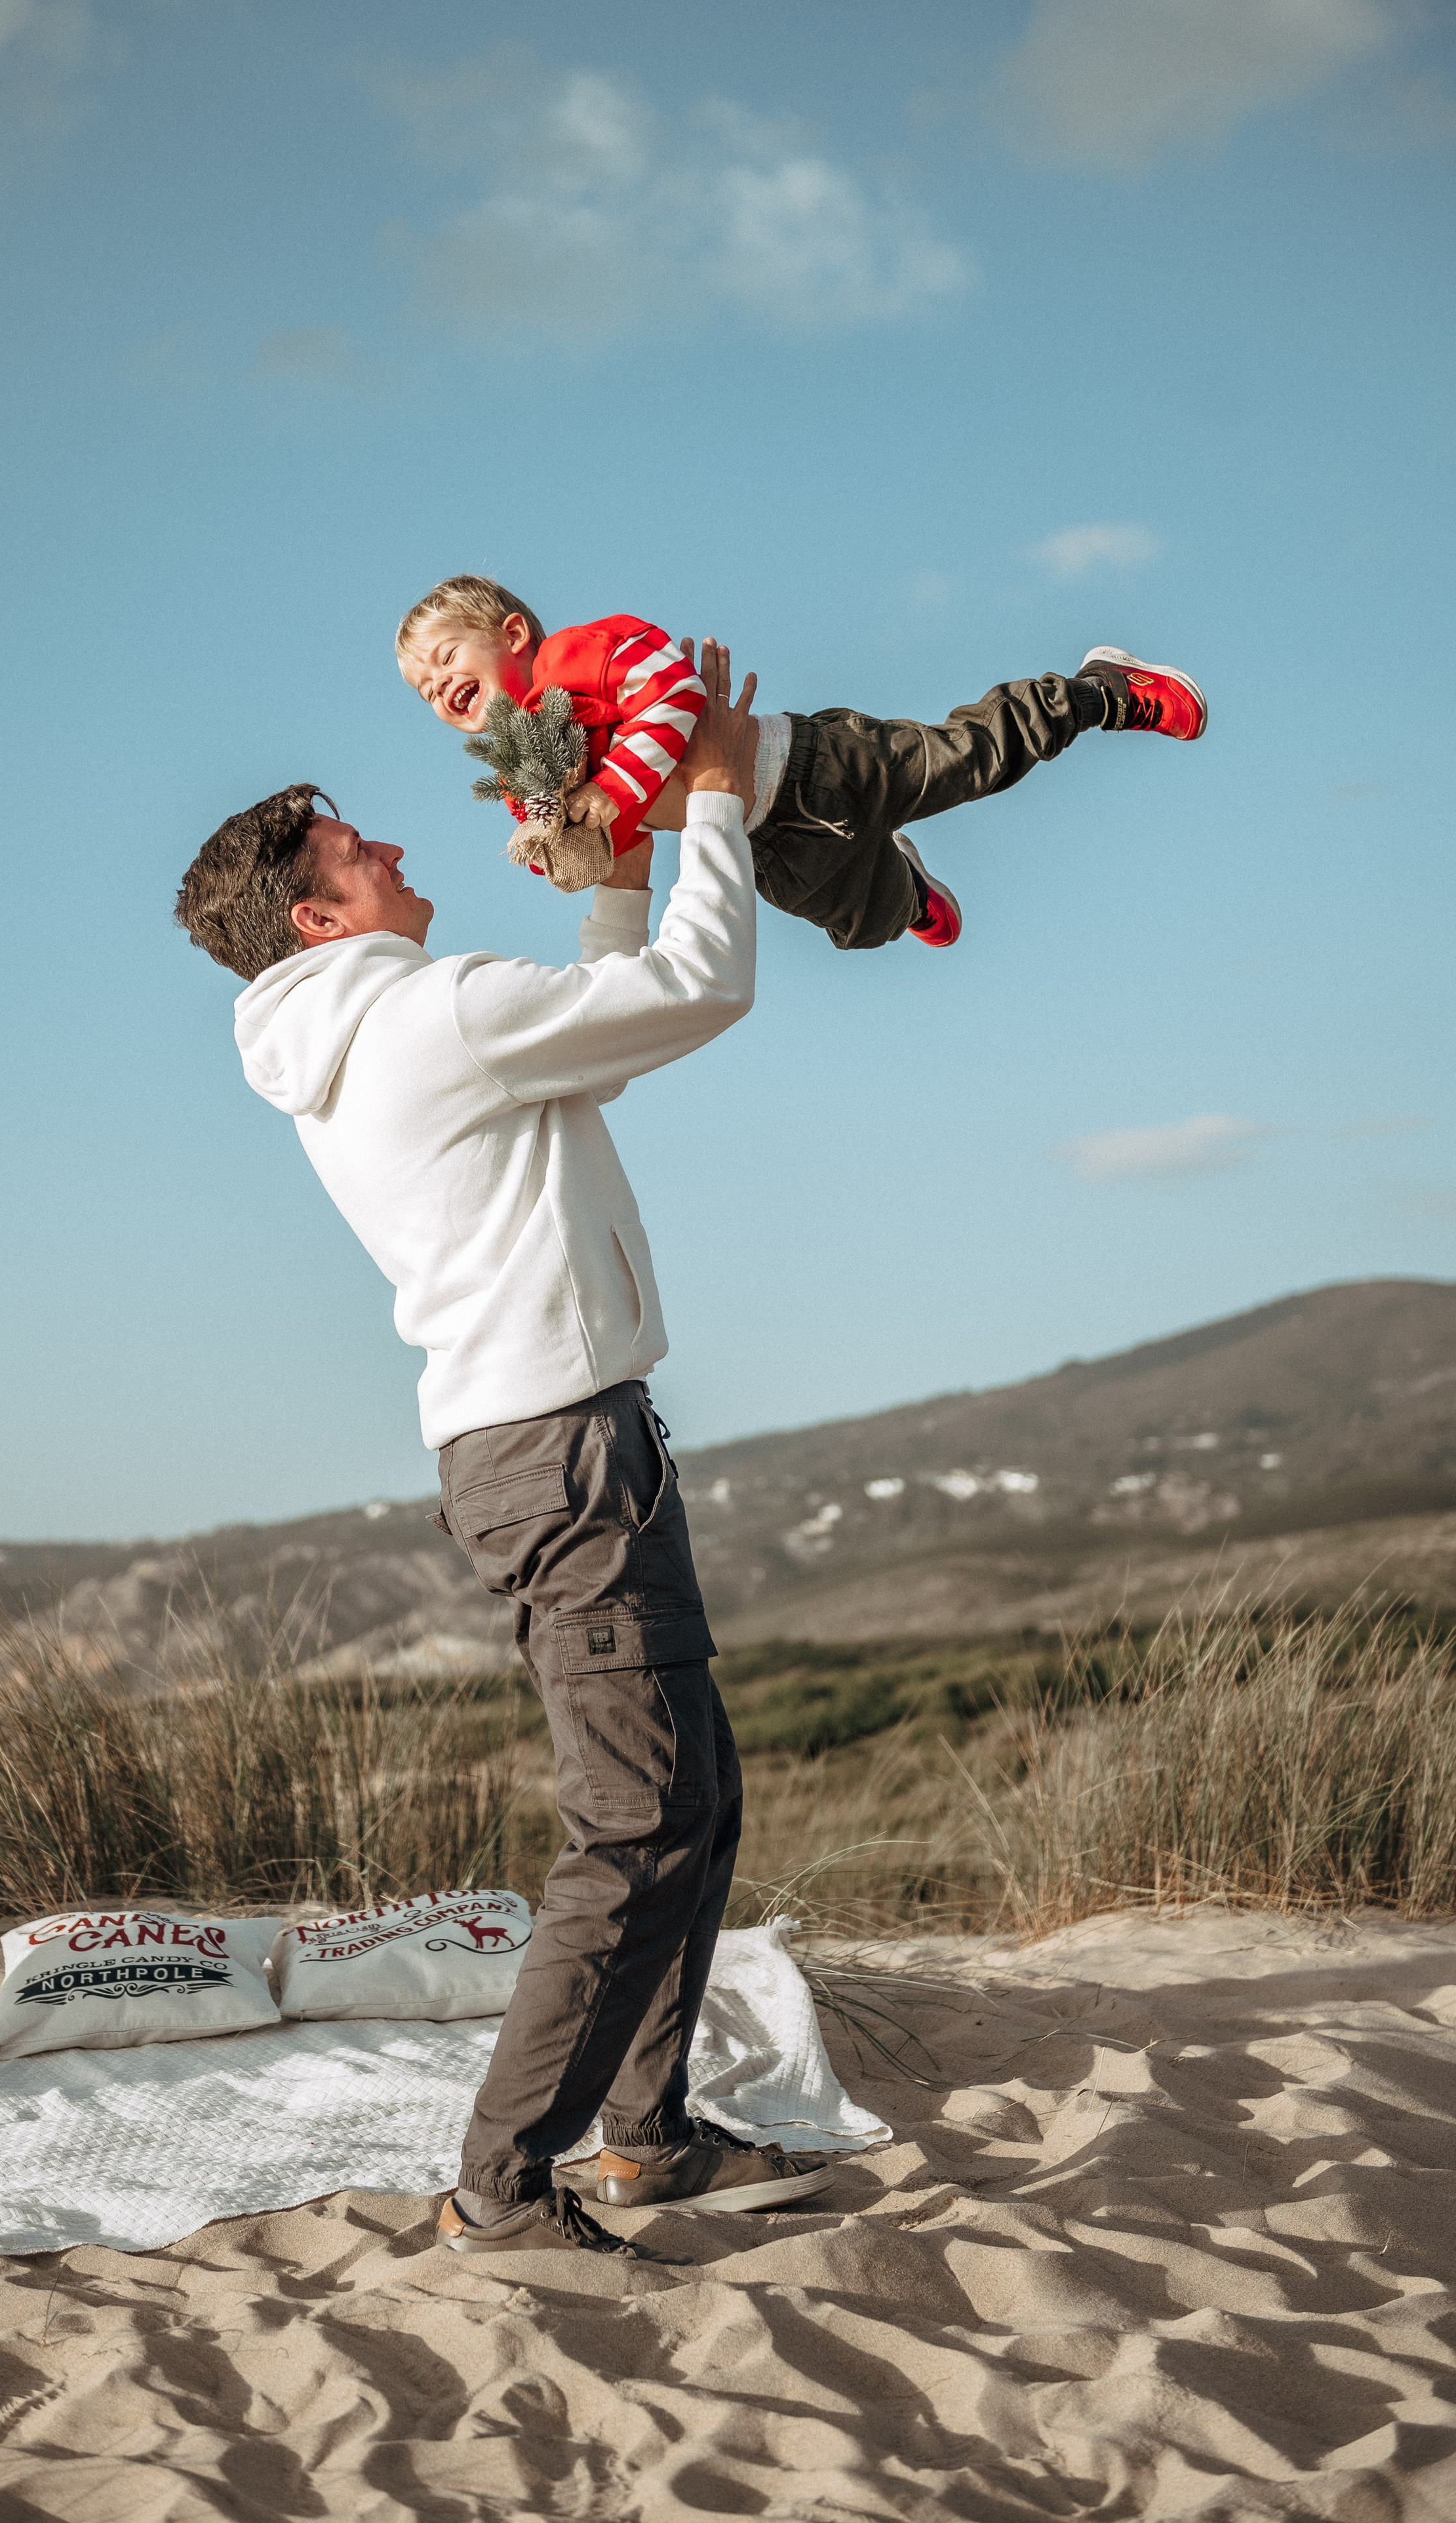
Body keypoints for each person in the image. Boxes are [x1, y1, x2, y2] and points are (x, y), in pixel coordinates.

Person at [172, 645, 836, 2259]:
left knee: (697, 1796)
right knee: (631, 1825)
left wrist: (609, 876)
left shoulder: (374, 1024)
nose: (395, 850)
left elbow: (589, 1035)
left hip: (554, 1440)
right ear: (317, 917)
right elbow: (697, 993)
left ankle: (645, 2133)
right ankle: (503, 2179)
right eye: (358, 855)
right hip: (559, 1452)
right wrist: (712, 807)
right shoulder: (420, 1012)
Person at [395, 572, 1208, 951]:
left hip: (812, 763)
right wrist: (560, 841)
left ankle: (1101, 689)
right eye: (423, 690)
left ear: (508, 635)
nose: (438, 687)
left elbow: (674, 694)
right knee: (857, 926)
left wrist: (606, 791)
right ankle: (908, 887)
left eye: (443, 659)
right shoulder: (522, 768)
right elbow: (590, 857)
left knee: (972, 758)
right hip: (760, 841)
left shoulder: (573, 659)